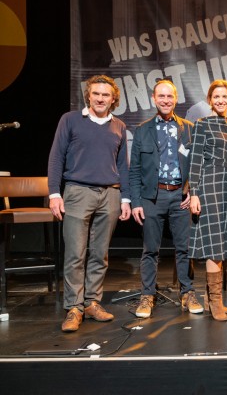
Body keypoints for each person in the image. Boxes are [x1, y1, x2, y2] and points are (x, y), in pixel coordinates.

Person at [48, 75, 131, 332]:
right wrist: (54, 193)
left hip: (110, 195)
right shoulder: (70, 120)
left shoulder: (119, 126)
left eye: (106, 95)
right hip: (77, 192)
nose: (100, 98)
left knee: (100, 253)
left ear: (113, 98)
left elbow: (123, 167)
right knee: (75, 252)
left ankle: (92, 302)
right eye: (96, 93)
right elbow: (56, 156)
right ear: (89, 95)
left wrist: (126, 197)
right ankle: (74, 307)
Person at [129, 79, 203, 319]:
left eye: (169, 96)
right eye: (161, 96)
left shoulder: (189, 128)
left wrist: (191, 191)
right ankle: (147, 295)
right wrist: (136, 202)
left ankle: (187, 292)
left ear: (176, 99)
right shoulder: (142, 130)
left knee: (184, 249)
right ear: (154, 98)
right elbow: (135, 170)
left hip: (180, 197)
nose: (165, 100)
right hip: (153, 197)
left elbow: (197, 165)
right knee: (151, 250)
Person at [189, 80, 227, 322]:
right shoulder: (202, 125)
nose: (220, 100)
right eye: (216, 96)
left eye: (224, 97)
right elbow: (196, 160)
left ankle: (211, 299)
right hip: (209, 184)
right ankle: (216, 301)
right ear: (210, 100)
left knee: (223, 242)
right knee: (214, 244)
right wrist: (194, 193)